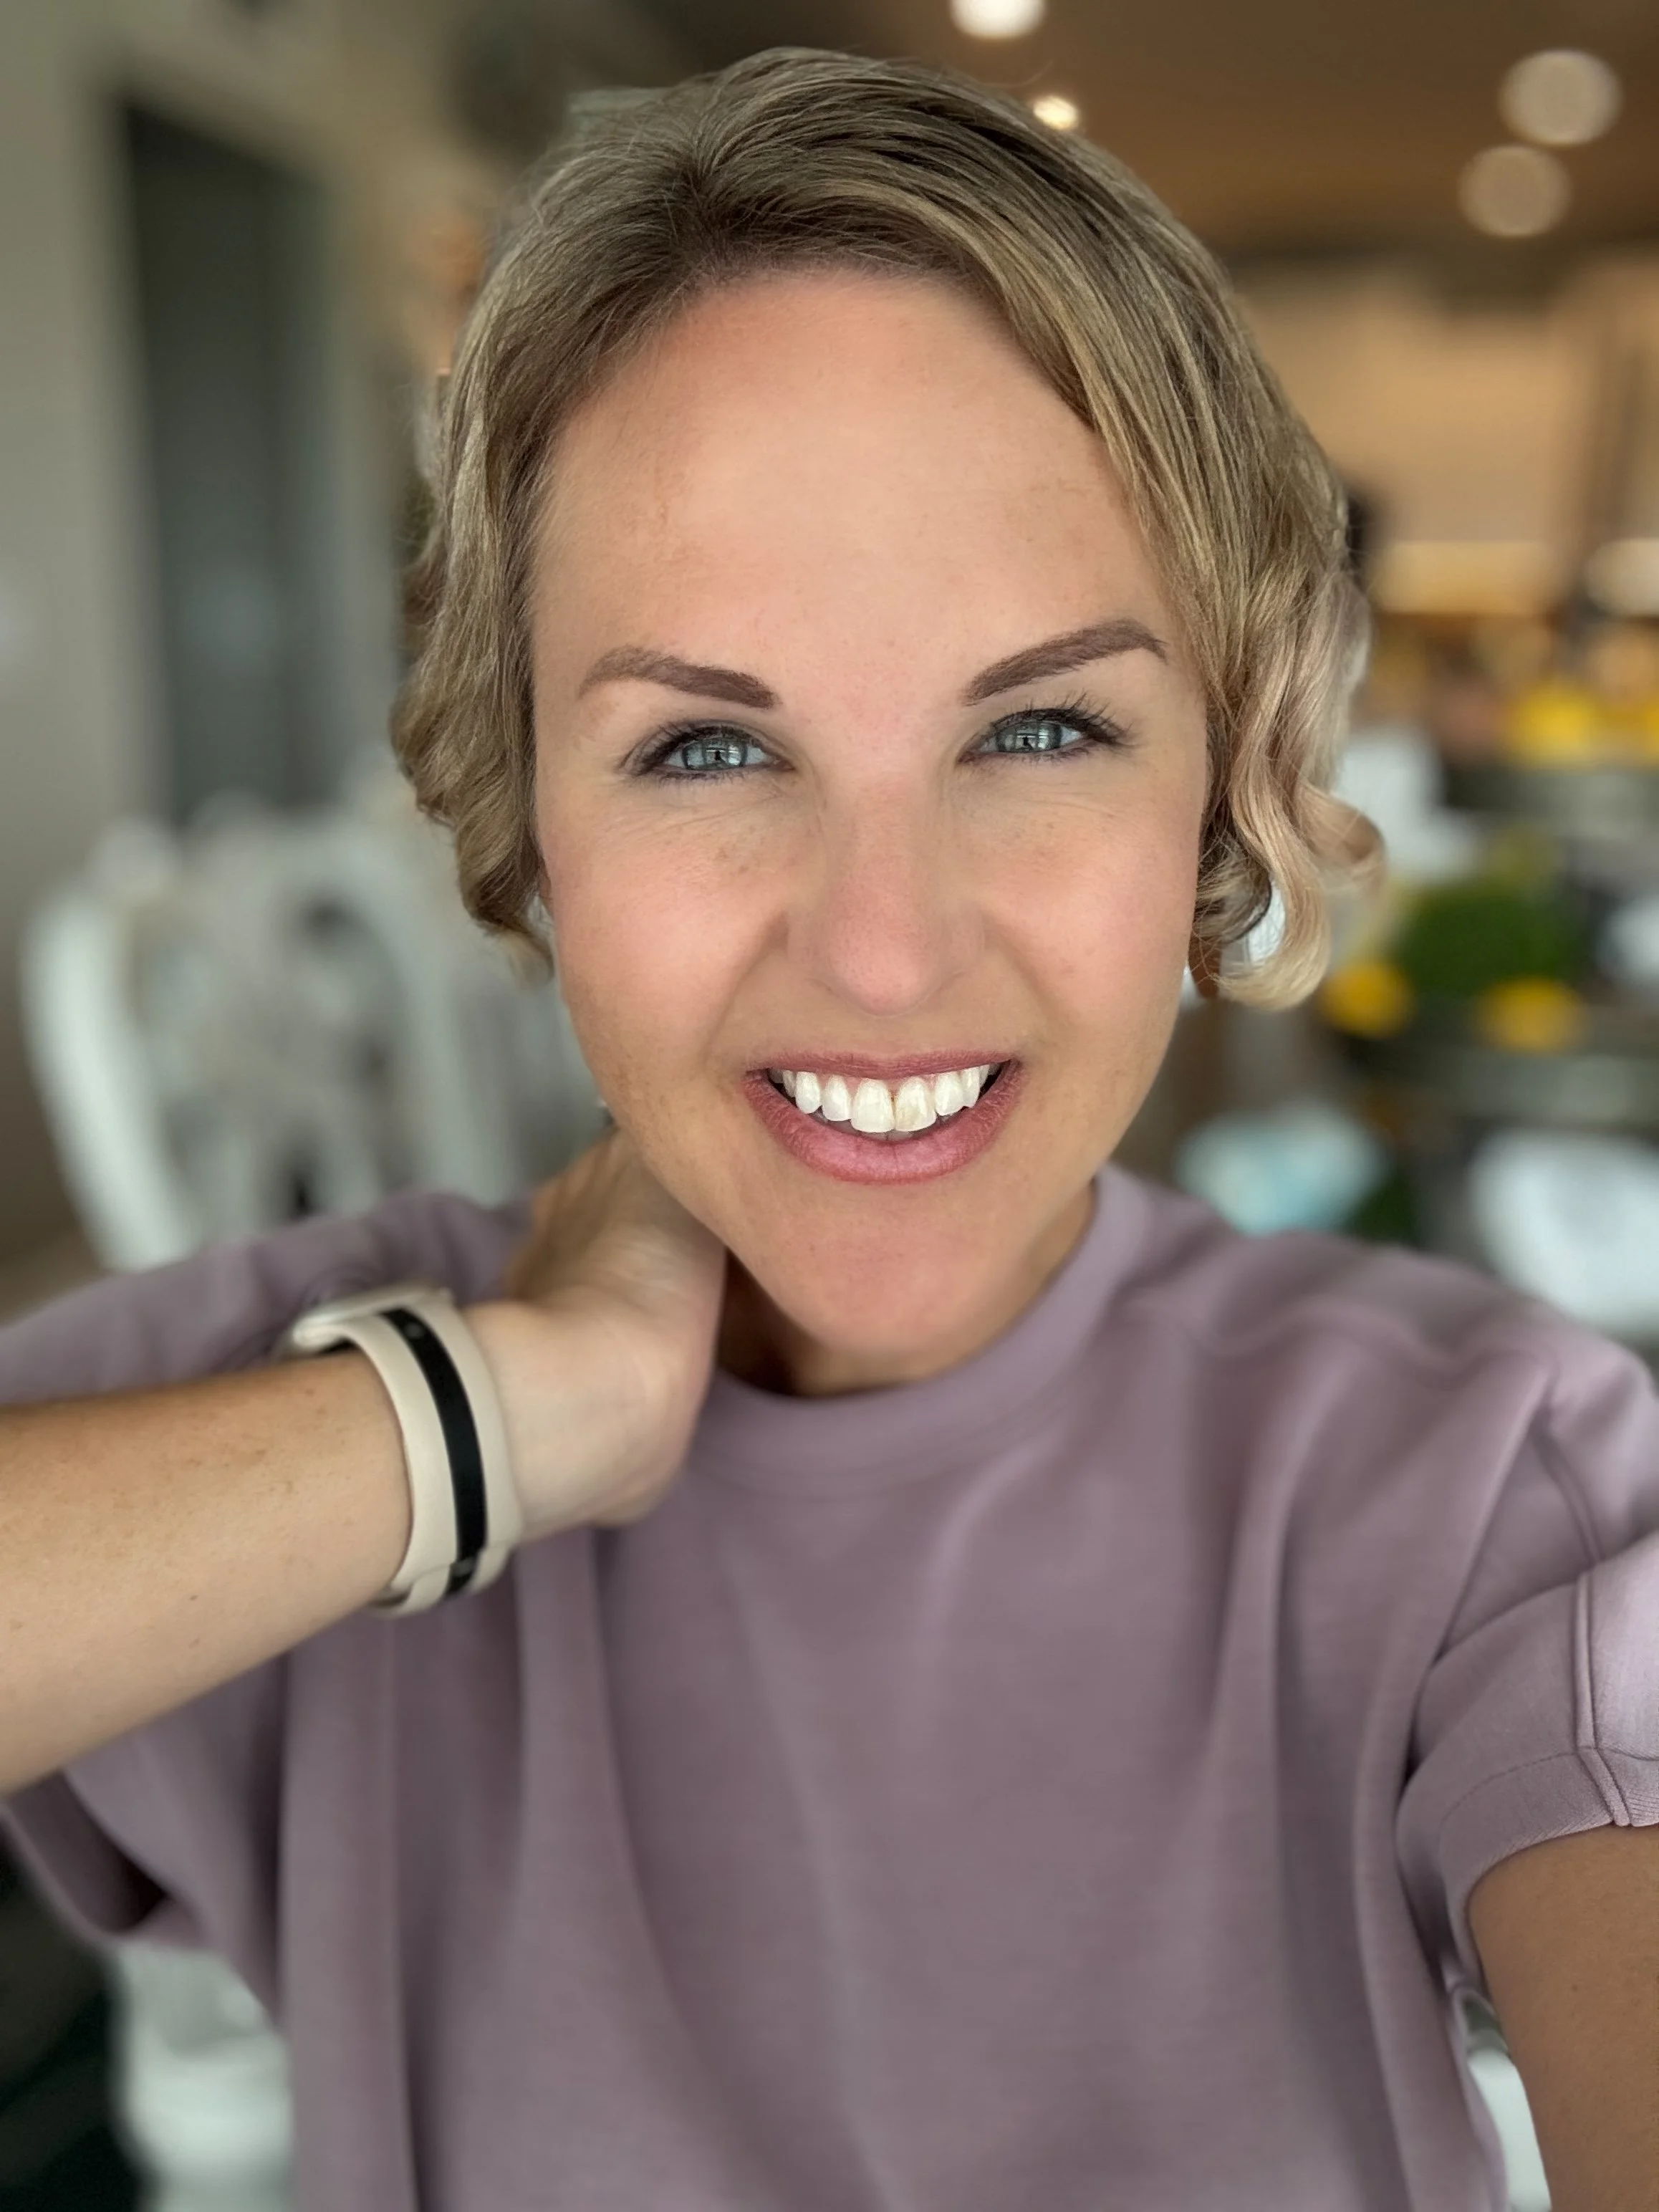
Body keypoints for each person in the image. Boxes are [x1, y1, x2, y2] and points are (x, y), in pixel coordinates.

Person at [1, 49, 1653, 2212]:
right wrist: (496, 1412)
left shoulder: (1473, 1498)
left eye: (1042, 725)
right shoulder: (277, 1405)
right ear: (527, 833)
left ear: (1217, 799)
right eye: (703, 749)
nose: (882, 952)